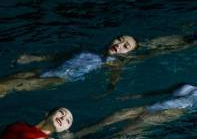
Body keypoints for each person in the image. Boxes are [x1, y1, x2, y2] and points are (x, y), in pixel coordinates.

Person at [76, 63, 197, 138]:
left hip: (170, 113)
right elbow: (161, 92)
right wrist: (134, 97)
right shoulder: (185, 85)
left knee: (124, 132)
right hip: (150, 106)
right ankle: (77, 135)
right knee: (116, 115)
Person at [2, 36, 138, 98]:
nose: (120, 44)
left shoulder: (113, 62)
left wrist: (106, 92)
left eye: (126, 46)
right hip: (50, 68)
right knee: (7, 80)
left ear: (128, 54)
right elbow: (61, 56)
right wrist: (35, 58)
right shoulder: (90, 48)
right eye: (120, 39)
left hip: (59, 78)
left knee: (16, 85)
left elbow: (113, 80)